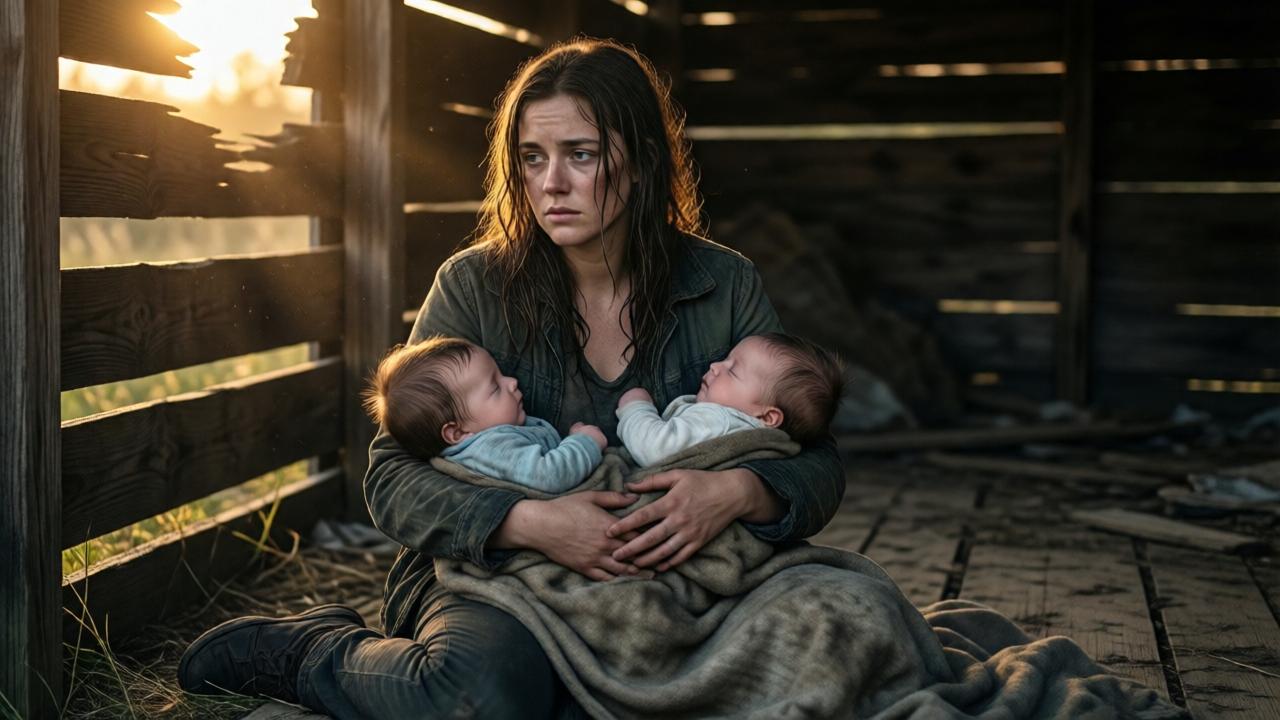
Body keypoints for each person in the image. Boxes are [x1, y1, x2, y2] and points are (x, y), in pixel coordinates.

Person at [177, 37, 845, 718]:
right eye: (533, 158)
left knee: (838, 650)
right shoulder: (473, 287)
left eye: (580, 154)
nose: (551, 182)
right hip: (500, 579)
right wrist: (527, 521)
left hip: (685, 587)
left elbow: (817, 465)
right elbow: (390, 477)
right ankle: (315, 653)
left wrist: (734, 492)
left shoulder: (723, 283)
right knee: (478, 699)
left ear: (642, 160)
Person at [362, 336, 607, 492]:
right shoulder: (491, 449)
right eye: (495, 387)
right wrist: (585, 442)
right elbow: (551, 475)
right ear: (457, 432)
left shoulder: (484, 437)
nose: (511, 382)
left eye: (500, 374)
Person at [617, 332, 845, 466]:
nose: (715, 366)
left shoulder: (719, 420)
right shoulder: (747, 434)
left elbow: (656, 449)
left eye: (733, 371)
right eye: (726, 359)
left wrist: (636, 408)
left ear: (767, 416)